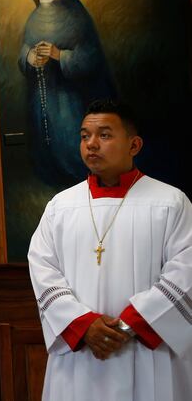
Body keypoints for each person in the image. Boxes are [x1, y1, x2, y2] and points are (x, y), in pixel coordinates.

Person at [28, 98, 192, 399]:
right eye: (84, 136)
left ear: (134, 145)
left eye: (104, 135)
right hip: (80, 355)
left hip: (147, 350)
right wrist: (83, 325)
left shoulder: (171, 202)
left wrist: (131, 324)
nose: (91, 144)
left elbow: (187, 269)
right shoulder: (60, 207)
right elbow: (42, 268)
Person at [16, 0, 115, 187]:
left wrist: (59, 55)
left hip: (71, 97)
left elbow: (91, 56)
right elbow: (24, 51)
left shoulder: (75, 13)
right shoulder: (33, 18)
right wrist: (31, 57)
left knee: (71, 141)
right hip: (43, 94)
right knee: (46, 146)